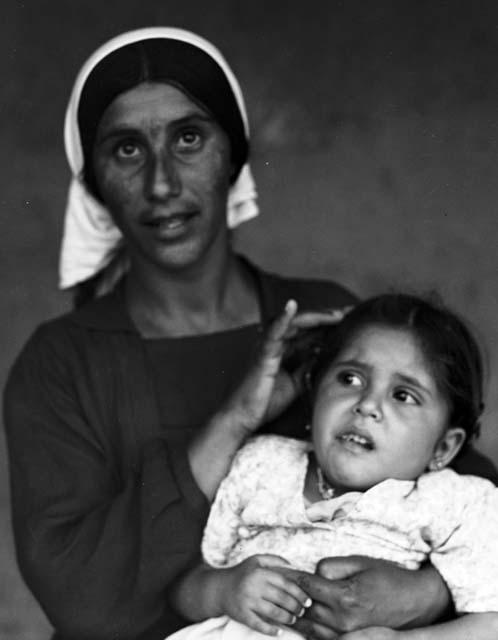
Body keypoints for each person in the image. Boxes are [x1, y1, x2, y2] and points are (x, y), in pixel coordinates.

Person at [2, 27, 496, 640]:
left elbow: (470, 496)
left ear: (232, 155)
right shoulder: (62, 365)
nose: (162, 183)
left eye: (188, 138)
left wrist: (423, 595)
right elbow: (80, 596)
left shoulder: (326, 320)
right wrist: (236, 416)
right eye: (127, 149)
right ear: (95, 180)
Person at [169, 293, 498, 640]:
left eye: (403, 395)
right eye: (350, 379)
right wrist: (223, 591)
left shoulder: (457, 503)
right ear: (314, 396)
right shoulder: (261, 464)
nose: (367, 405)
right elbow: (186, 583)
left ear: (444, 447)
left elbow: (491, 622)